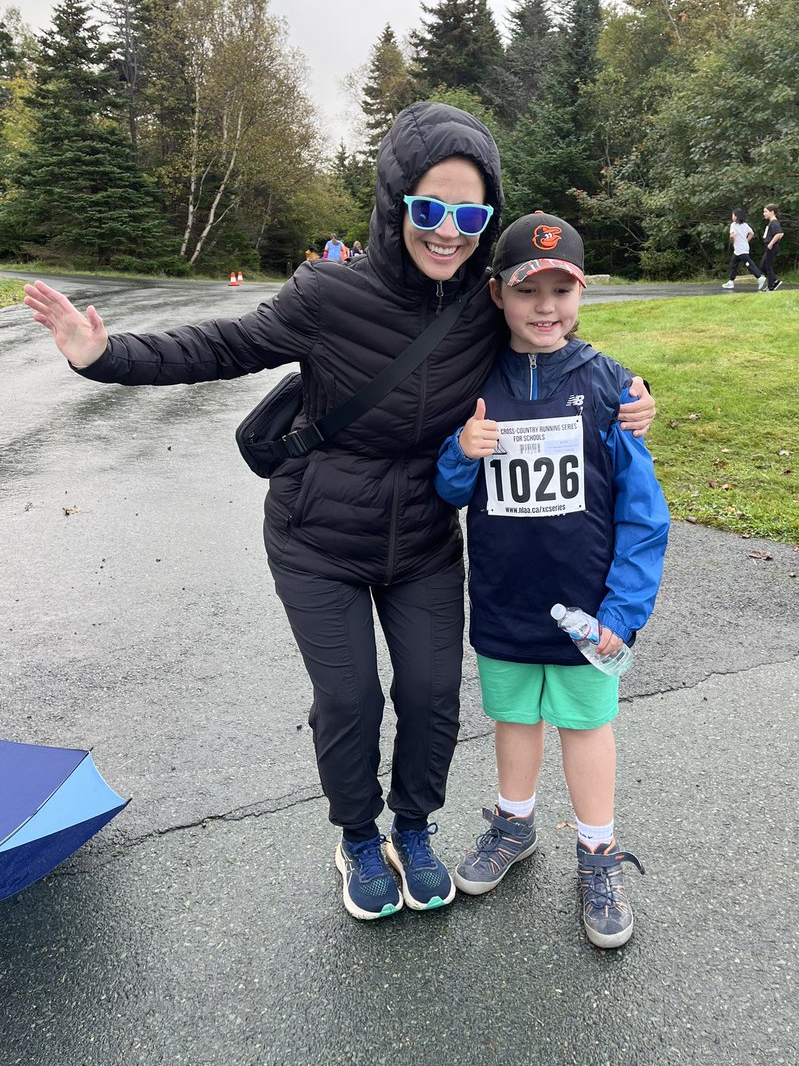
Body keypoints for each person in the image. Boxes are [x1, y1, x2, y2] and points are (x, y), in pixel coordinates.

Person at [22, 102, 656, 924]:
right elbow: (224, 345)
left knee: (431, 694)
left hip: (424, 539)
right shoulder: (326, 292)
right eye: (430, 210)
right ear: (396, 204)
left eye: (471, 216)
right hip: (317, 536)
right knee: (352, 695)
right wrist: (105, 356)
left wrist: (635, 401)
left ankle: (415, 830)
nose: (449, 232)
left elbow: (558, 344)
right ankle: (359, 837)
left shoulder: (481, 305)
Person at [435, 212, 669, 949]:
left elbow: (644, 517)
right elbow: (447, 491)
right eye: (528, 289)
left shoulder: (609, 389)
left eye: (561, 289)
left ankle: (597, 854)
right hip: (504, 603)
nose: (545, 306)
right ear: (498, 294)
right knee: (512, 719)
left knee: (587, 726)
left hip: (588, 615)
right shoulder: (474, 382)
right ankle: (514, 824)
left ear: (581, 291)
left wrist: (623, 614)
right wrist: (460, 452)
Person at [721, 207, 763, 290]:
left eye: (733, 215)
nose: (732, 217)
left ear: (736, 216)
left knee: (748, 263)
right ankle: (731, 282)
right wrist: (746, 241)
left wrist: (731, 237)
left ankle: (759, 277)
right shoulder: (745, 225)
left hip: (740, 249)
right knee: (733, 264)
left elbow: (732, 237)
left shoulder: (733, 225)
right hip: (741, 248)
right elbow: (751, 233)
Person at [759, 204, 784, 293]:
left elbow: (779, 234)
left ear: (772, 212)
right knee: (763, 266)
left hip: (772, 247)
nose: (764, 213)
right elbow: (781, 234)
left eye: (766, 211)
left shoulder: (774, 222)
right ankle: (774, 281)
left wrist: (771, 243)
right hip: (769, 246)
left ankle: (770, 287)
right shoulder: (771, 223)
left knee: (768, 266)